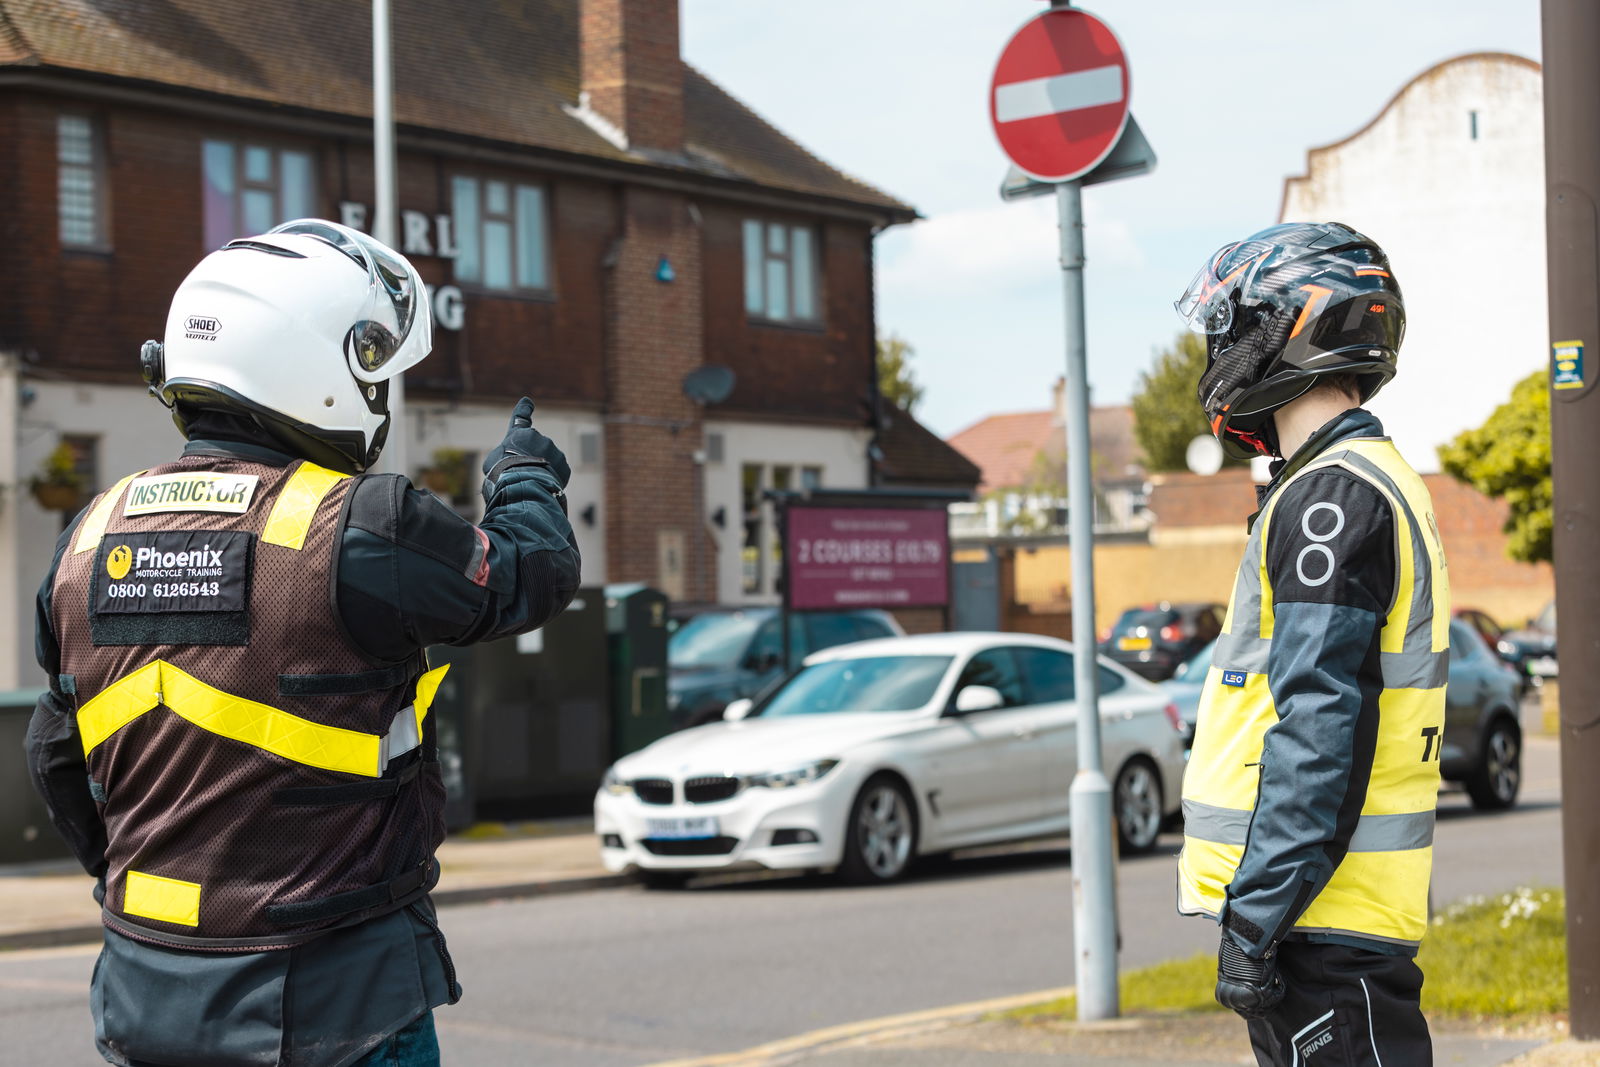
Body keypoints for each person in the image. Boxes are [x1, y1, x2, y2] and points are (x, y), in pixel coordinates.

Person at [26, 219, 580, 1067]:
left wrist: (140, 886)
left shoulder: (89, 536)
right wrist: (524, 477)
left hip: (145, 1001)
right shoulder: (360, 525)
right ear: (324, 369)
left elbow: (56, 756)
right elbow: (532, 574)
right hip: (338, 1006)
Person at [1172, 222, 1449, 1066]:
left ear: (1290, 328)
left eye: (1232, 329)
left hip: (1321, 920)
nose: (1221, 352)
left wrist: (1255, 917)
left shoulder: (1330, 497)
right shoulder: (1350, 479)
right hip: (1334, 916)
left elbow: (1321, 726)